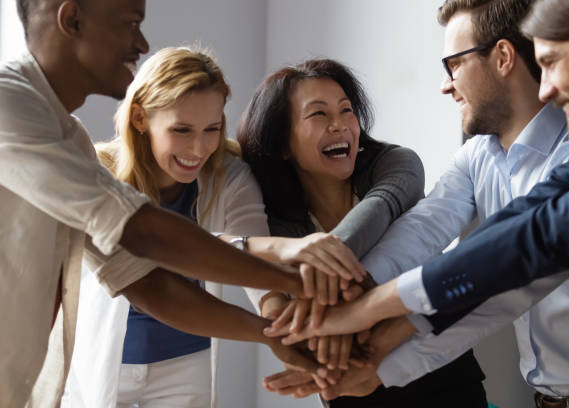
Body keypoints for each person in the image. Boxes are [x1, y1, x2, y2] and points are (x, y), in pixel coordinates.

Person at [0, 1, 354, 405]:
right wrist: (298, 283)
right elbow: (145, 232)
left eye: (211, 129)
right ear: (72, 19)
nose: (142, 43)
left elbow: (146, 283)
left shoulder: (70, 139)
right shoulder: (8, 106)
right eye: (130, 24)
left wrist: (272, 333)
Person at [268, 0, 569, 406]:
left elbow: (520, 263)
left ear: (502, 57)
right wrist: (357, 321)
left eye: (552, 61)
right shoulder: (482, 156)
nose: (546, 87)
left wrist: (367, 313)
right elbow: (427, 233)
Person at [238, 58, 488, 407]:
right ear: (282, 142)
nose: (340, 125)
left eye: (347, 110)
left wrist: (323, 294)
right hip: (348, 386)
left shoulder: (397, 165)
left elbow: (376, 213)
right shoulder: (273, 220)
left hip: (442, 375)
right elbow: (290, 327)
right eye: (319, 114)